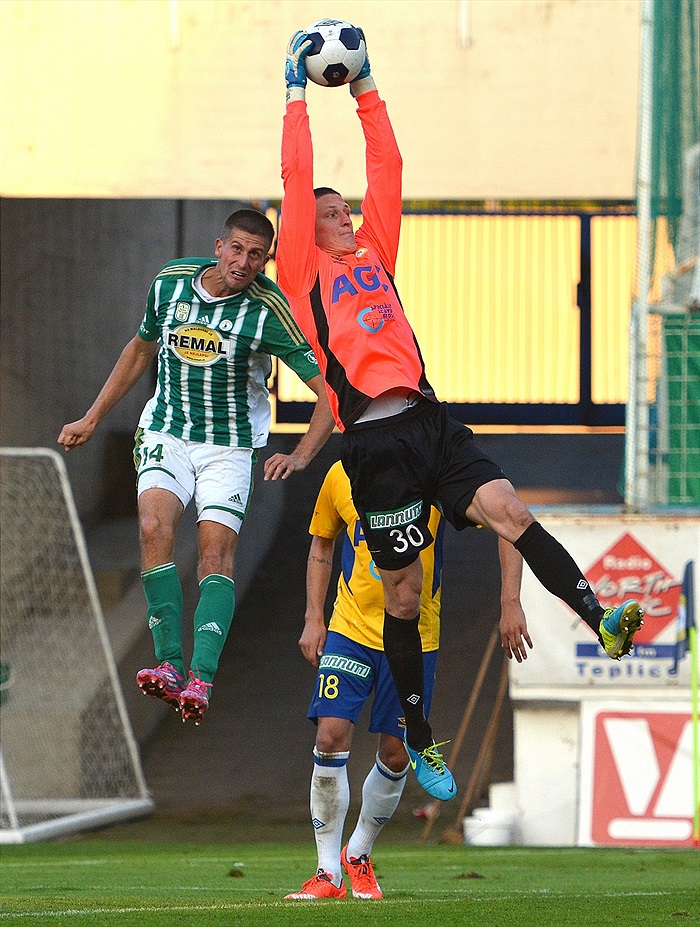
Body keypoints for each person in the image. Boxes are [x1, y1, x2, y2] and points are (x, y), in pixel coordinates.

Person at [276, 30, 643, 799]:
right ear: (306, 234)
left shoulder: (374, 254)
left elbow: (390, 169)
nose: (346, 218)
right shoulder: (303, 274)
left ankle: (599, 615)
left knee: (510, 508)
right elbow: (298, 173)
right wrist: (297, 97)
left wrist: (366, 90)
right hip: (372, 446)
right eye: (333, 213)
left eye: (347, 211)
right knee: (403, 597)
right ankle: (417, 733)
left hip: (429, 418)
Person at [58, 208, 335, 725]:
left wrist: (300, 455)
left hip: (228, 446)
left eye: (256, 255)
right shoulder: (170, 282)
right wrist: (93, 417)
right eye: (237, 249)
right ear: (218, 246)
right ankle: (168, 665)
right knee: (152, 526)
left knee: (214, 553)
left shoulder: (268, 310)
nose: (244, 262)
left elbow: (328, 394)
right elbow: (139, 350)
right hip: (167, 429)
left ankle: (202, 677)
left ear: (264, 260)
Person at [285, 460, 526, 900]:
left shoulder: (434, 475)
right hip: (350, 630)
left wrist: (511, 601)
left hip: (415, 636)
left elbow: (509, 523)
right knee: (330, 734)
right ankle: (325, 873)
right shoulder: (341, 473)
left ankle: (357, 855)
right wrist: (312, 616)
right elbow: (322, 544)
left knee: (396, 754)